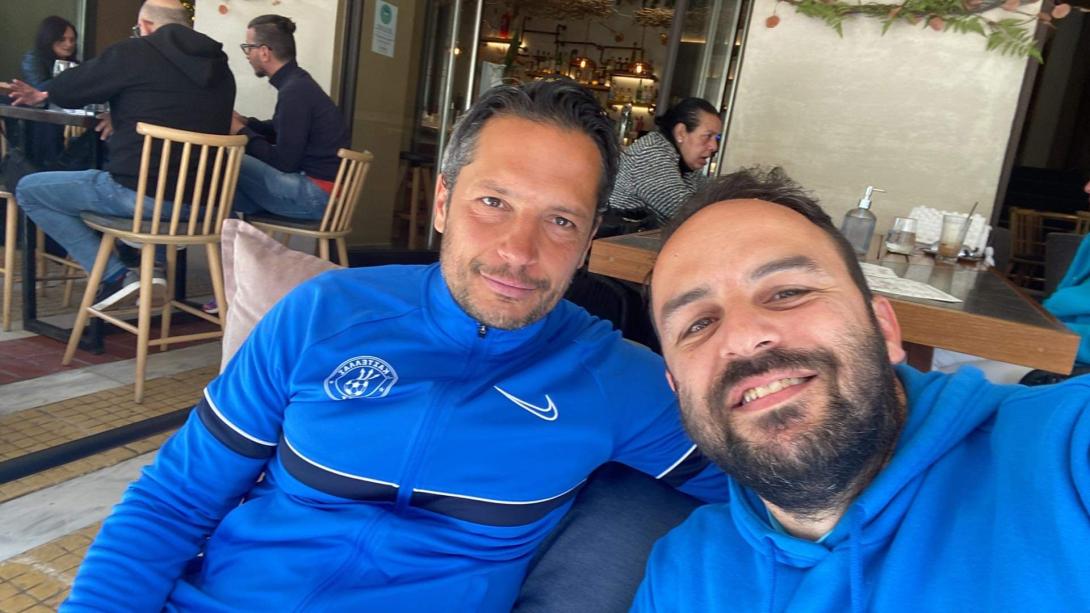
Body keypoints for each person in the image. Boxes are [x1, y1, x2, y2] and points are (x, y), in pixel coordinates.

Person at [63, 79, 728, 611]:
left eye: (560, 220)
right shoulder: (325, 313)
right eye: (493, 202)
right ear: (443, 201)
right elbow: (174, 501)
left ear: (587, 242)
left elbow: (766, 491)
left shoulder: (611, 376)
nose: (518, 252)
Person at [633, 167, 1090, 611]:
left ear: (884, 328)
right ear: (677, 390)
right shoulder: (683, 572)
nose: (743, 337)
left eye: (788, 292)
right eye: (698, 324)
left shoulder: (1061, 455)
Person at [10, 0, 236, 310]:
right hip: (207, 205)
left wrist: (47, 94)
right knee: (157, 175)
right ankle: (153, 267)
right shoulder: (220, 67)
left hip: (144, 199)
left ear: (145, 26)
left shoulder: (136, 52)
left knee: (30, 190)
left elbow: (72, 89)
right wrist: (123, 113)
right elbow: (174, 108)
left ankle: (115, 276)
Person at [228, 14, 349, 220]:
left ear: (264, 52)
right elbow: (282, 130)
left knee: (226, 160)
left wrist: (240, 131)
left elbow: (285, 162)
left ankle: (211, 228)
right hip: (324, 194)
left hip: (316, 197)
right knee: (230, 193)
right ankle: (237, 235)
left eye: (248, 47)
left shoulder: (294, 92)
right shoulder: (300, 84)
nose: (247, 55)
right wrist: (247, 123)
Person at [607, 97, 721, 227]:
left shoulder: (684, 163)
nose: (714, 146)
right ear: (681, 133)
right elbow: (686, 212)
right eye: (707, 136)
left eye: (717, 138)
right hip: (621, 238)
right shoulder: (651, 152)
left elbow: (712, 192)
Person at [17, 16, 79, 164]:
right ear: (49, 39)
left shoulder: (76, 64)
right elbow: (39, 89)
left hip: (69, 117)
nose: (69, 44)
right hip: (38, 118)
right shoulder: (33, 58)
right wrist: (70, 80)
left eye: (72, 40)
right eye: (62, 39)